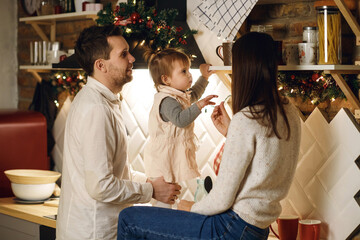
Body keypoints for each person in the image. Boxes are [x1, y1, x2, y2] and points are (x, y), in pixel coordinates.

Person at [117, 31, 301, 239]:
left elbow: (221, 199)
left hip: (230, 227)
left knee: (129, 218)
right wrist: (232, 133)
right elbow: (265, 159)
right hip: (257, 230)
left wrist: (190, 208)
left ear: (243, 70)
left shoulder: (246, 119)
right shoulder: (288, 111)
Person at [56, 25, 181, 240]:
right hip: (92, 233)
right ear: (101, 65)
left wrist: (154, 181)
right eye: (123, 54)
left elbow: (118, 173)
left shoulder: (106, 101)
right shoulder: (96, 108)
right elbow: (101, 186)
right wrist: (151, 191)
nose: (132, 58)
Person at [144, 48, 217, 207]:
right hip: (161, 160)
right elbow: (180, 119)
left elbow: (194, 95)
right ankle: (161, 222)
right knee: (163, 197)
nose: (189, 74)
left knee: (170, 195)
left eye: (189, 70)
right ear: (166, 79)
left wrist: (204, 77)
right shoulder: (167, 100)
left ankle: (166, 219)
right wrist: (198, 106)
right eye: (184, 71)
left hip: (169, 156)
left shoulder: (177, 95)